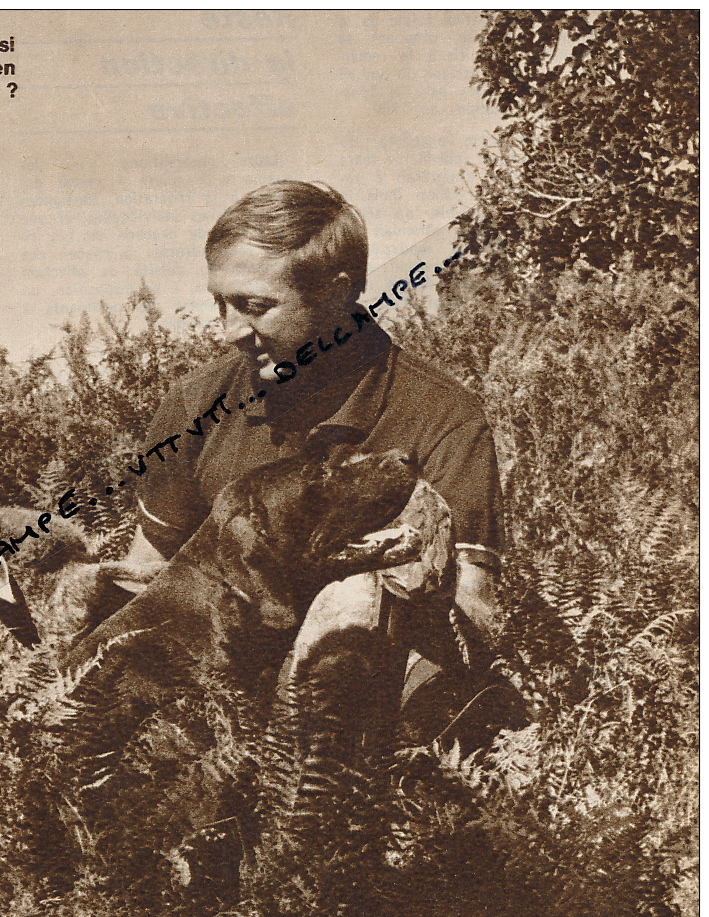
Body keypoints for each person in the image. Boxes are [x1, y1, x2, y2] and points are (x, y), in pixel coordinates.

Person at [120, 180, 506, 732]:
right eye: (219, 304)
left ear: (336, 292)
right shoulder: (195, 405)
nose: (231, 332)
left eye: (256, 307)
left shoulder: (443, 416)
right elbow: (148, 582)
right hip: (211, 717)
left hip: (371, 727)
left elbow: (471, 615)